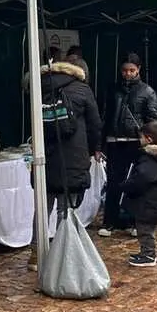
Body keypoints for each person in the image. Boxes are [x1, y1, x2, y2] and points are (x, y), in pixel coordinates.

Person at [29, 54, 102, 271]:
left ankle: (35, 253)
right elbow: (95, 124)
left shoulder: (40, 86)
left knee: (43, 206)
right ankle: (63, 254)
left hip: (45, 155)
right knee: (65, 207)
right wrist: (93, 149)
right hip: (74, 156)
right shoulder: (82, 89)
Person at [100, 52, 157, 237]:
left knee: (135, 183)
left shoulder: (147, 91)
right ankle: (110, 221)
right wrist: (99, 144)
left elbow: (154, 118)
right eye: (125, 70)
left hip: (135, 143)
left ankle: (134, 221)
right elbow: (105, 117)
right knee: (113, 182)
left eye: (131, 70)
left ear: (138, 70)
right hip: (114, 142)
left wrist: (148, 137)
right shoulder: (112, 89)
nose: (128, 74)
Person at [119, 121, 157, 267]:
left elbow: (143, 177)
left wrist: (125, 186)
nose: (139, 140)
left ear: (148, 139)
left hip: (149, 200)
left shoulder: (149, 158)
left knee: (144, 229)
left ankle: (148, 255)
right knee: (147, 228)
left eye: (141, 137)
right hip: (156, 198)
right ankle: (146, 252)